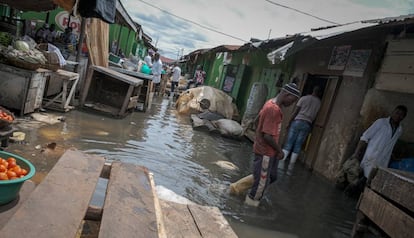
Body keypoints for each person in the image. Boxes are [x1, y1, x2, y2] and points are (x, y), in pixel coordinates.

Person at [245, 83, 301, 207]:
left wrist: (256, 126)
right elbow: (267, 136)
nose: (292, 104)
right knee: (261, 184)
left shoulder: (271, 103)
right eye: (293, 100)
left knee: (272, 176)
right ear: (287, 95)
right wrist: (280, 151)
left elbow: (258, 118)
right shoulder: (273, 109)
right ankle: (250, 206)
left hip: (271, 152)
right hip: (266, 151)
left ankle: (251, 183)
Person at [336, 105, 407, 197]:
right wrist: (356, 154)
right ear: (393, 112)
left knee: (368, 182)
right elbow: (365, 137)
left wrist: (392, 157)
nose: (398, 116)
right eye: (397, 113)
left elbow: (390, 145)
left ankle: (353, 198)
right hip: (371, 157)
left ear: (404, 117)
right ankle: (345, 196)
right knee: (358, 179)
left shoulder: (399, 130)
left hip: (382, 161)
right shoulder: (381, 123)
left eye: (402, 115)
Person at [280, 86, 321, 169]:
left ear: (313, 90)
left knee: (289, 142)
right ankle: (291, 165)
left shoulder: (303, 98)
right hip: (307, 124)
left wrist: (289, 122)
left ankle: (281, 162)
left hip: (297, 121)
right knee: (298, 145)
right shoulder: (319, 102)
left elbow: (296, 111)